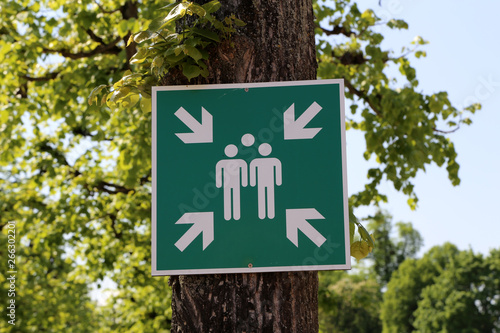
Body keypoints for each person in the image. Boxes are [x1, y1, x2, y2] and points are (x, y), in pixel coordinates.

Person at [249, 143, 282, 219]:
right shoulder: (255, 161)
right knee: (261, 196)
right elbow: (252, 171)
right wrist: (252, 182)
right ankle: (262, 213)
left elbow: (277, 170)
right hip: (260, 182)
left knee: (270, 196)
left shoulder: (274, 160)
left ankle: (270, 213)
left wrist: (278, 181)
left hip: (270, 182)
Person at [215, 144, 248, 220]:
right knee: (227, 198)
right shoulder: (222, 162)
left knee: (235, 197)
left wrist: (244, 182)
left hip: (236, 183)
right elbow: (218, 172)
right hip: (227, 184)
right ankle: (228, 215)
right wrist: (218, 184)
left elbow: (244, 171)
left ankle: (236, 214)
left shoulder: (240, 162)